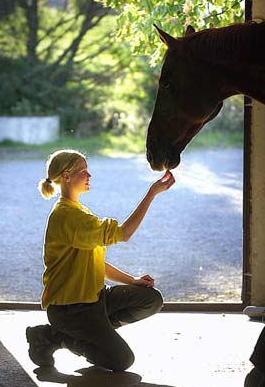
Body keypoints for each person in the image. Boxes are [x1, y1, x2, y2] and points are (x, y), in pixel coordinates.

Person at [26, 148, 175, 372]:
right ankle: (55, 337)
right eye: (83, 171)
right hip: (70, 310)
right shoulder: (68, 217)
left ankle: (93, 332)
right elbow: (124, 234)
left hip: (94, 300)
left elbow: (95, 264)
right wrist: (151, 193)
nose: (89, 176)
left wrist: (131, 281)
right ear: (66, 176)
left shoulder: (78, 211)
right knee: (121, 360)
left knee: (151, 299)